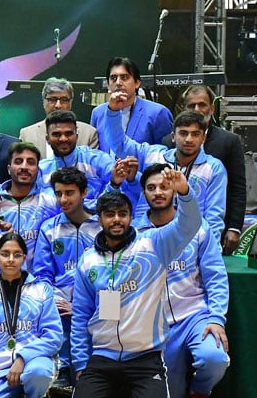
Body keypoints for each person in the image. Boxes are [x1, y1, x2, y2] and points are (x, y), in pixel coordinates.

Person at [71, 168, 201, 398]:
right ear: (99, 220)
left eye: (123, 213)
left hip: (145, 358)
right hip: (102, 357)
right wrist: (81, 363)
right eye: (110, 214)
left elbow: (189, 225)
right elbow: (81, 315)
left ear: (131, 217)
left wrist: (184, 192)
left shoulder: (153, 244)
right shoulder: (87, 261)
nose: (117, 219)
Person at [133, 163, 230, 398]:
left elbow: (215, 276)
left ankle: (200, 391)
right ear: (143, 193)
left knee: (214, 358)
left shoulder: (199, 229)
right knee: (170, 393)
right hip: (155, 326)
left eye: (164, 187)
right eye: (151, 187)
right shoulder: (133, 235)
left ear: (174, 191)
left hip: (194, 316)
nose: (158, 192)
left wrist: (216, 318)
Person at [104, 93, 227, 242]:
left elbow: (214, 217)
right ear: (173, 137)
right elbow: (120, 144)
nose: (189, 139)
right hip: (147, 238)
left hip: (190, 243)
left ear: (203, 138)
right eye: (183, 133)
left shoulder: (213, 168)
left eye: (195, 134)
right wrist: (113, 112)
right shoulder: (153, 155)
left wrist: (208, 252)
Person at [33, 167, 102, 391]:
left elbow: (112, 272)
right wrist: (51, 298)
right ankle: (62, 370)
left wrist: (81, 306)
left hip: (98, 297)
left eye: (70, 192)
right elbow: (43, 275)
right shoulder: (48, 229)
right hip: (62, 299)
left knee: (112, 308)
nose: (63, 199)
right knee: (51, 305)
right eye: (59, 193)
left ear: (84, 193)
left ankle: (104, 366)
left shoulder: (102, 226)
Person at [0, 232, 63, 398]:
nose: (11, 259)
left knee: (38, 374)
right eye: (5, 254)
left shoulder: (41, 290)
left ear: (24, 258)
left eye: (17, 255)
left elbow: (54, 336)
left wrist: (22, 358)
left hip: (35, 360)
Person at [161, 85, 246, 255]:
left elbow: (238, 187)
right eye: (191, 105)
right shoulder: (168, 143)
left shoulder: (228, 141)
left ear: (212, 108)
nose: (197, 110)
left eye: (202, 105)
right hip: (171, 230)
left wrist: (234, 227)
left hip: (214, 226)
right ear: (183, 108)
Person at [38, 110, 140, 212]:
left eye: (69, 133)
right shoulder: (41, 170)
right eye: (56, 134)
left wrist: (128, 178)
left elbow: (124, 194)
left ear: (77, 135)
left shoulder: (98, 160)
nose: (63, 139)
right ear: (47, 139)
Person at [0, 142, 59, 270]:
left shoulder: (51, 201)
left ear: (38, 170)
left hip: (38, 281)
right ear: (9, 169)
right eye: (18, 161)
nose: (24, 167)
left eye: (30, 162)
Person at [90, 57, 173, 152]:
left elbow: (167, 156)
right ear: (108, 85)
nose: (118, 83)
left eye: (124, 77)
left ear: (137, 83)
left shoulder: (157, 113)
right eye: (113, 78)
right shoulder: (98, 113)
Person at [19, 77, 98, 158]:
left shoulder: (89, 133)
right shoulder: (27, 134)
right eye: (52, 99)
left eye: (64, 100)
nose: (58, 105)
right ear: (43, 102)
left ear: (71, 102)